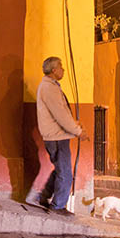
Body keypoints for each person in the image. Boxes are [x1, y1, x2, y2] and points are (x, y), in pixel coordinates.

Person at [36, 56, 89, 216]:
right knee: (65, 172)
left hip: (56, 135)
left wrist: (74, 123)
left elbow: (61, 113)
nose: (63, 70)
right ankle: (58, 206)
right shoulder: (49, 88)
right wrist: (78, 131)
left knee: (60, 169)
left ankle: (44, 196)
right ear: (54, 70)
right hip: (57, 137)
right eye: (61, 67)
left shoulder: (50, 86)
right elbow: (60, 115)